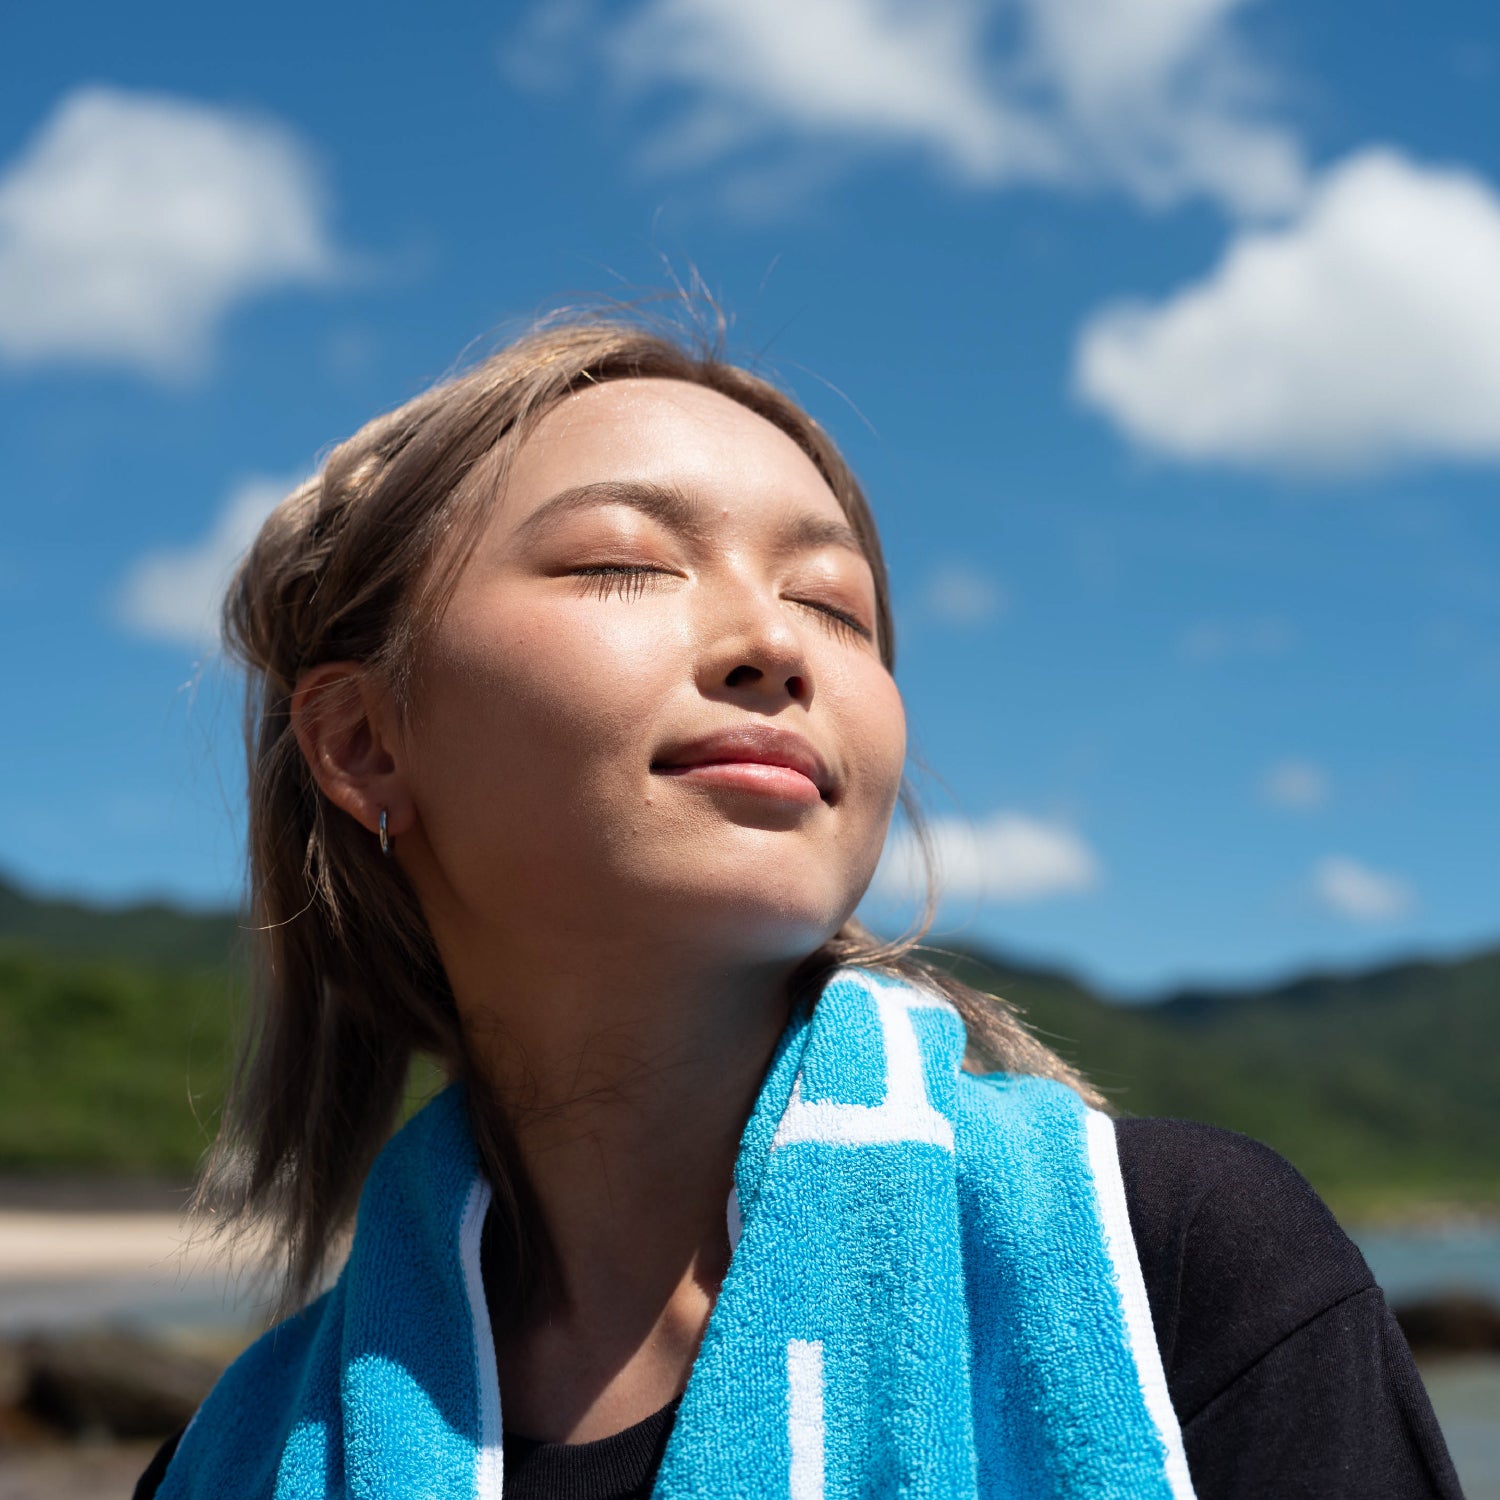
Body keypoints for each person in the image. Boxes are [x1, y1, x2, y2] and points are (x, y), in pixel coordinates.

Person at [136, 309, 1460, 1500]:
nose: (775, 642)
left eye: (835, 604)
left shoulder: (1179, 1273)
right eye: (624, 562)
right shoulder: (227, 1463)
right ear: (365, 740)